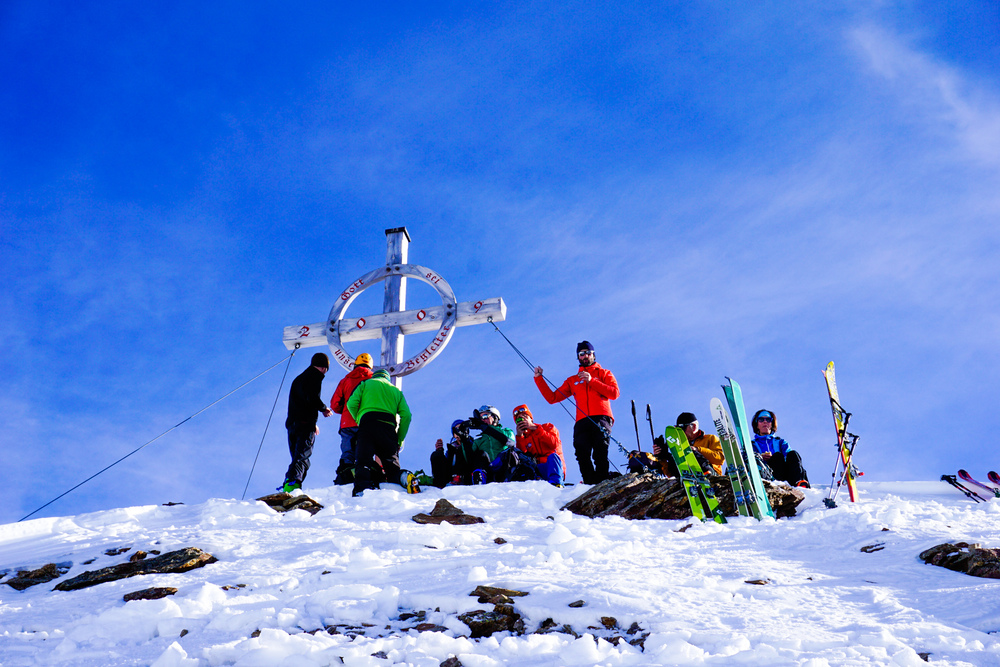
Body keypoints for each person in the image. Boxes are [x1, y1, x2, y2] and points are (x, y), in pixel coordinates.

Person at [534, 340, 620, 484]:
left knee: (600, 451)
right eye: (582, 354)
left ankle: (602, 481)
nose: (585, 356)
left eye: (588, 353)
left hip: (601, 417)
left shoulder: (604, 373)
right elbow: (553, 397)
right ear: (578, 357)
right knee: (581, 452)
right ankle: (589, 482)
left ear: (593, 355)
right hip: (582, 420)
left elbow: (614, 393)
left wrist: (592, 381)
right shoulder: (573, 380)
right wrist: (539, 378)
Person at [346, 369, 416, 497]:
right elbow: (407, 415)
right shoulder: (396, 391)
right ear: (387, 378)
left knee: (363, 461)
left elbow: (351, 403)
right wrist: (399, 440)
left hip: (367, 424)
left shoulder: (366, 384)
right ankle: (404, 479)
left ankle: (362, 491)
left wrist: (359, 419)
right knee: (392, 467)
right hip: (388, 428)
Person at [282, 352, 333, 492]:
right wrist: (324, 409)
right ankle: (293, 484)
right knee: (302, 456)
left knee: (296, 456)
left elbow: (300, 402)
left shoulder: (298, 379)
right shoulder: (314, 377)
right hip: (305, 424)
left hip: (292, 424)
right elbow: (311, 397)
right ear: (324, 368)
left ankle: (289, 483)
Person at [329, 353, 374, 485]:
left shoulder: (345, 380)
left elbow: (334, 404)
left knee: (347, 453)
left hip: (347, 423)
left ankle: (344, 478)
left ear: (355, 365)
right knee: (364, 453)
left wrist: (344, 410)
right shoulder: (372, 380)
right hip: (365, 422)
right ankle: (364, 479)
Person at [751, 409, 810, 488]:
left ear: (772, 424)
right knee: (777, 457)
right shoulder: (752, 445)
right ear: (757, 424)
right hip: (765, 473)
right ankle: (776, 483)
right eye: (761, 420)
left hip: (782, 470)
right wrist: (761, 458)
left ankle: (799, 482)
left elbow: (788, 456)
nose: (765, 422)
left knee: (792, 454)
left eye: (768, 420)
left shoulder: (780, 442)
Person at [513, 404, 566, 485]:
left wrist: (535, 428)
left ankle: (556, 483)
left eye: (524, 416)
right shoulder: (524, 438)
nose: (522, 420)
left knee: (553, 457)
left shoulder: (547, 427)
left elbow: (554, 444)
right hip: (538, 469)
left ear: (530, 418)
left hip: (553, 467)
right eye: (519, 420)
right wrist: (519, 436)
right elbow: (522, 457)